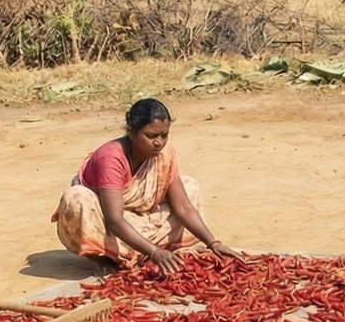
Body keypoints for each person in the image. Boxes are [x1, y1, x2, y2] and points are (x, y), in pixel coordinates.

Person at [54, 98, 240, 276]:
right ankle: (107, 256)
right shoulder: (111, 158)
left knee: (189, 186)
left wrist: (213, 243)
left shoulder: (165, 153)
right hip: (109, 221)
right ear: (132, 132)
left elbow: (183, 207)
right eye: (151, 136)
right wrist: (154, 252)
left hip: (141, 218)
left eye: (164, 135)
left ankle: (144, 249)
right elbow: (114, 220)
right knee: (77, 198)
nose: (159, 142)